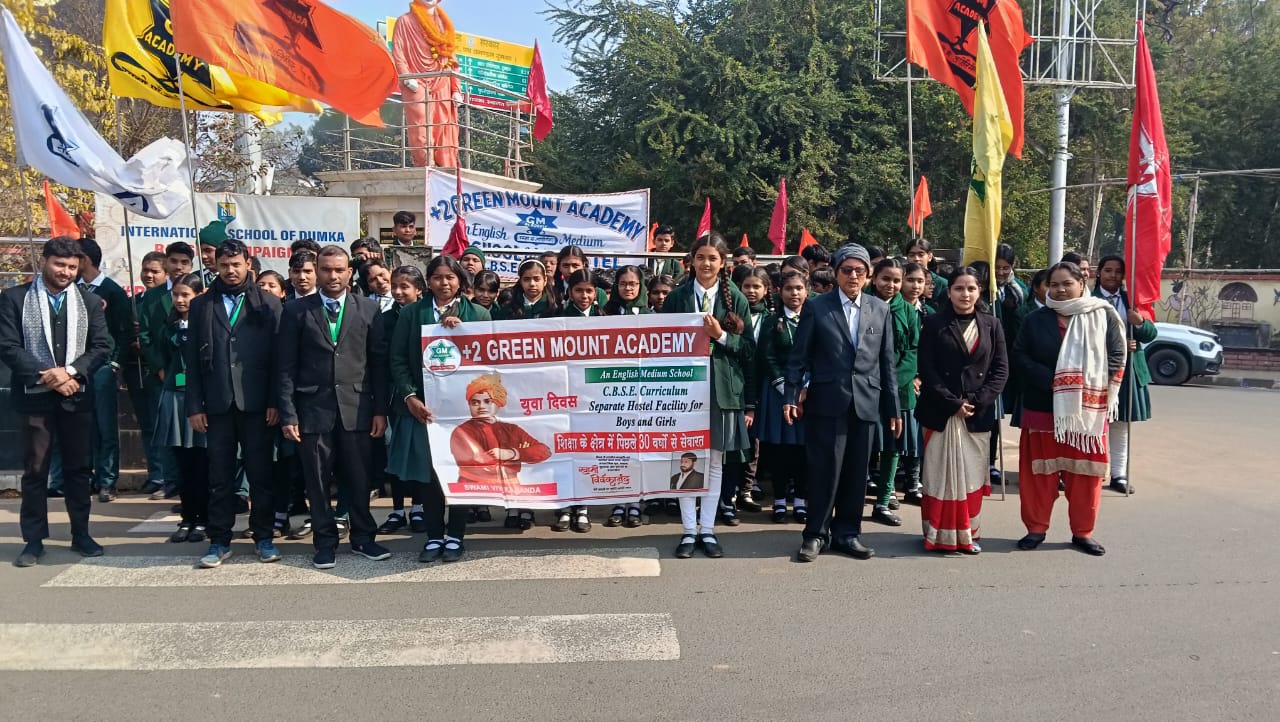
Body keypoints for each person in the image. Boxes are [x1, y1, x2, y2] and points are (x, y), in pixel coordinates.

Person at [784, 243, 899, 563]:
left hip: (865, 401)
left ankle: (848, 533)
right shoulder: (817, 307)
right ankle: (815, 534)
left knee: (856, 472)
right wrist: (791, 394)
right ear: (835, 273)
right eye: (847, 270)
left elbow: (887, 362)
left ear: (868, 275)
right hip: (826, 401)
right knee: (824, 470)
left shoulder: (880, 309)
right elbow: (798, 357)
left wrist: (893, 407)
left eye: (860, 271)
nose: (853, 276)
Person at [277, 246, 392, 569]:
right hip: (313, 409)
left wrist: (380, 411)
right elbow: (285, 367)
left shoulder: (368, 309)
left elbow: (378, 364)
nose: (333, 276)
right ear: (317, 271)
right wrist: (288, 413)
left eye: (339, 270)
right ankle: (325, 542)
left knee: (359, 477)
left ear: (349, 273)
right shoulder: (296, 311)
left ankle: (363, 537)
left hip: (357, 407)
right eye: (326, 269)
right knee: (317, 481)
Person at [0, 237, 112, 567]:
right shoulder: (15, 299)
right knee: (36, 470)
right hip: (34, 398)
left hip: (77, 397)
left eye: (72, 267)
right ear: (44, 261)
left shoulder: (90, 302)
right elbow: (8, 346)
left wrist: (71, 373)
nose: (65, 272)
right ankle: (33, 540)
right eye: (59, 264)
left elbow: (101, 347)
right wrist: (49, 375)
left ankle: (81, 534)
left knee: (79, 469)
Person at [1012, 262, 1125, 557]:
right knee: (1038, 475)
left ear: (1082, 283)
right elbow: (1020, 355)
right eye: (1054, 284)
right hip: (1042, 406)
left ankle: (1083, 532)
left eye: (1067, 284)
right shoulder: (1035, 319)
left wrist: (1087, 384)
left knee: (1086, 475)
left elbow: (1117, 354)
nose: (1060, 290)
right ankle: (1036, 529)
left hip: (1088, 412)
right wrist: (1052, 381)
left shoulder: (1103, 314)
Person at [185, 239, 284, 568]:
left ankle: (264, 537)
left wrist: (275, 401)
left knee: (261, 475)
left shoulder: (269, 303)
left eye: (236, 264)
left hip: (258, 404)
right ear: (215, 266)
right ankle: (219, 540)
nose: (230, 270)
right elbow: (192, 360)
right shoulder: (202, 305)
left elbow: (279, 360)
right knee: (220, 476)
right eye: (224, 265)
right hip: (217, 403)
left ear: (248, 265)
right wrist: (194, 406)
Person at [390, 254, 492, 563]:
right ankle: (434, 535)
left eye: (450, 277)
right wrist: (410, 397)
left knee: (462, 472)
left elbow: (489, 359)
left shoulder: (478, 314)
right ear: (428, 282)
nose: (444, 283)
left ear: (460, 280)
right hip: (425, 410)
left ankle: (456, 536)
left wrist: (463, 332)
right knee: (430, 474)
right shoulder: (412, 313)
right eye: (437, 277)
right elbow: (397, 359)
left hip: (463, 411)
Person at [660, 231, 755, 559]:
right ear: (691, 260)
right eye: (700, 257)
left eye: (712, 258)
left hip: (722, 391)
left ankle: (708, 529)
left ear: (723, 262)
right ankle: (689, 530)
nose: (706, 263)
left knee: (714, 462)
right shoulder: (677, 297)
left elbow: (749, 350)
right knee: (686, 460)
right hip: (684, 389)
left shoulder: (736, 299)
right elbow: (661, 344)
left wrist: (721, 336)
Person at [914, 266, 1009, 554]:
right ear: (949, 291)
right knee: (937, 476)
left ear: (979, 291)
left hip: (977, 414)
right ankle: (937, 534)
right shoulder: (934, 323)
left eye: (971, 288)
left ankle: (969, 533)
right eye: (959, 288)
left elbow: (1001, 370)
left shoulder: (992, 324)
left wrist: (977, 401)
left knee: (971, 476)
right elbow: (926, 368)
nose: (965, 294)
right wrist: (952, 403)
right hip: (940, 412)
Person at [71, 238, 134, 503]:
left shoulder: (112, 291)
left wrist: (116, 363)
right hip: (76, 367)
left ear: (85, 260)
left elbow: (125, 330)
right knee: (83, 426)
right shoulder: (71, 289)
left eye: (75, 259)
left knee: (106, 426)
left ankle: (107, 481)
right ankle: (87, 478)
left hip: (103, 367)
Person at [1093, 255, 1156, 494]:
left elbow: (1151, 334)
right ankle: (1094, 471)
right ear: (1099, 273)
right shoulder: (1089, 299)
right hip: (1097, 369)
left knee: (1121, 424)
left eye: (1118, 271)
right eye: (1108, 270)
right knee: (1095, 423)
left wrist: (1139, 322)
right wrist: (1115, 346)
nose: (1113, 275)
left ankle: (1119, 475)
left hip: (1128, 371)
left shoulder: (1134, 300)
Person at [866, 258, 922, 526]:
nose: (891, 285)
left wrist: (892, 383)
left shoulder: (908, 311)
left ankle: (883, 500)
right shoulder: (863, 304)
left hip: (899, 390)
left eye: (897, 280)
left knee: (893, 446)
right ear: (874, 278)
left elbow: (912, 351)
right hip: (866, 387)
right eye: (885, 279)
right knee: (863, 446)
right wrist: (873, 382)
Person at [155, 274, 210, 543]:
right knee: (182, 464)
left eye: (186, 295)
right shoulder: (170, 327)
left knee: (202, 464)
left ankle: (203, 519)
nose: (179, 300)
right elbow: (163, 357)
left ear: (199, 296)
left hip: (201, 400)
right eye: (176, 295)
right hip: (175, 397)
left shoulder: (207, 325)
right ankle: (187, 517)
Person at [137, 241, 194, 498]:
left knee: (190, 433)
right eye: (174, 261)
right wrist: (159, 366)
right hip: (163, 375)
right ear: (166, 263)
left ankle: (190, 484)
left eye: (184, 262)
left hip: (192, 376)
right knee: (165, 429)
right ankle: (169, 481)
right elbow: (145, 335)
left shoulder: (201, 293)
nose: (178, 266)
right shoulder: (152, 296)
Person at [377, 266, 428, 535]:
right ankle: (397, 510)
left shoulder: (426, 315)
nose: (397, 291)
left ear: (419, 289)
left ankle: (418, 508)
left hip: (421, 396)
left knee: (418, 454)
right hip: (393, 396)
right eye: (394, 285)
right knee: (395, 454)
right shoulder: (384, 318)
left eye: (404, 286)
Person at [757, 269, 809, 523]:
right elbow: (767, 357)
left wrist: (806, 387)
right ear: (780, 291)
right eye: (789, 289)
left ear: (807, 291)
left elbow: (819, 354)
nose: (794, 293)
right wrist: (786, 389)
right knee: (779, 450)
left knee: (803, 450)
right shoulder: (772, 321)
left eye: (799, 288)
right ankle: (778, 501)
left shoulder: (814, 320)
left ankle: (800, 501)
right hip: (778, 392)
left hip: (807, 393)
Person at [600, 265, 650, 528]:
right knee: (617, 450)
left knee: (639, 450)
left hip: (641, 392)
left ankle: (636, 503)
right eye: (623, 283)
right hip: (612, 390)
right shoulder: (605, 313)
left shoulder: (652, 315)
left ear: (641, 286)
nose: (628, 288)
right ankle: (618, 501)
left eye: (633, 284)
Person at [904, 239, 949, 310]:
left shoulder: (942, 284)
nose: (916, 259)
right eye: (912, 255)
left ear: (930, 256)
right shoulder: (900, 280)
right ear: (907, 257)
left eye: (921, 255)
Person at [197, 221, 225, 286]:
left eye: (208, 251)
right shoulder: (196, 277)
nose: (203, 256)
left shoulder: (231, 278)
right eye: (200, 251)